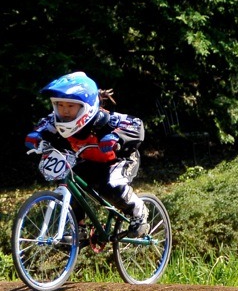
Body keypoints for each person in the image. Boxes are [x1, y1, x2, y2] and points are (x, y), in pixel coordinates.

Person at [25, 71, 149, 236]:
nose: (65, 111)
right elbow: (42, 126)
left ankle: (139, 211)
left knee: (112, 186)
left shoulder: (104, 119)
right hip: (89, 162)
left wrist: (116, 137)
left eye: (70, 106)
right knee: (71, 185)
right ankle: (78, 227)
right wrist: (36, 135)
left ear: (86, 106)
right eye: (60, 105)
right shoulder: (54, 121)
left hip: (120, 160)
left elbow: (136, 124)